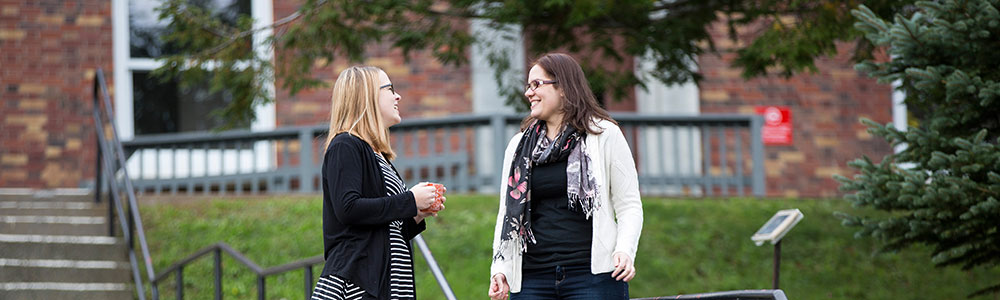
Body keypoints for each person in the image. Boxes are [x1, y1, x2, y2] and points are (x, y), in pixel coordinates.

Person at [488, 53, 644, 300]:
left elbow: (629, 205)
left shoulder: (604, 135)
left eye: (537, 84)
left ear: (563, 88)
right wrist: (500, 269)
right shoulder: (519, 146)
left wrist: (625, 250)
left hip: (592, 277)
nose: (529, 93)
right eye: (528, 86)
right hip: (532, 279)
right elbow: (506, 214)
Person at [312, 66, 444, 300]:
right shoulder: (345, 145)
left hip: (389, 285)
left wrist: (416, 214)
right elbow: (349, 209)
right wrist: (409, 201)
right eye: (390, 89)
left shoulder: (377, 155)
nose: (398, 96)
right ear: (367, 96)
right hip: (357, 284)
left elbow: (384, 228)